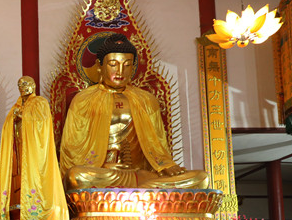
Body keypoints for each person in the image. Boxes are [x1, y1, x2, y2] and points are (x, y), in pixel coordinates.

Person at [60, 33, 208, 190]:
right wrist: (103, 165)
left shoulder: (146, 100)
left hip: (140, 174)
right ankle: (145, 192)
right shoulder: (84, 99)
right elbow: (72, 149)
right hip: (102, 173)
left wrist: (165, 165)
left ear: (133, 67)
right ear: (99, 65)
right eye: (113, 64)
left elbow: (157, 145)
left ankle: (146, 189)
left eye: (127, 65)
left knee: (201, 178)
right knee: (76, 176)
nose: (120, 71)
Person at [0, 75, 68, 220]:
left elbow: (42, 123)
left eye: (26, 83)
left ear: (33, 85)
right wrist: (13, 119)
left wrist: (23, 116)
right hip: (19, 145)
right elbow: (8, 128)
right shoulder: (16, 105)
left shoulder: (39, 102)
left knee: (33, 173)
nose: (22, 86)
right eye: (19, 84)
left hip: (34, 148)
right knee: (18, 172)